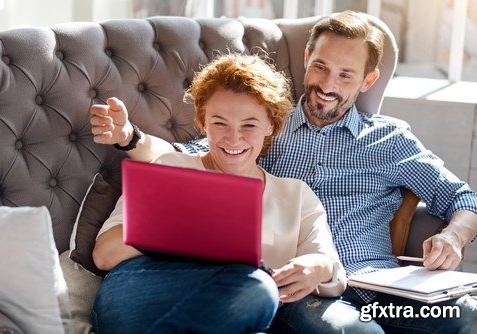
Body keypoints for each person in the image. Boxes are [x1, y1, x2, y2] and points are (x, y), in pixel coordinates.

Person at [91, 10, 477, 333]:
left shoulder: (390, 140)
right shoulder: (259, 123)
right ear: (307, 57)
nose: (327, 84)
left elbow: (464, 198)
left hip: (378, 291)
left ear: (368, 80)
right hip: (298, 296)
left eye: (345, 75)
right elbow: (186, 160)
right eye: (321, 67)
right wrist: (129, 137)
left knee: (466, 319)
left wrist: (453, 238)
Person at [90, 53, 347, 333]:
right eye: (220, 123)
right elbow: (105, 254)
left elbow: (332, 273)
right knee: (257, 288)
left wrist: (319, 267)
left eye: (249, 125)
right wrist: (191, 230)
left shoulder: (296, 196)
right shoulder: (170, 167)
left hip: (239, 304)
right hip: (144, 289)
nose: (233, 138)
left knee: (256, 290)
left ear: (270, 125)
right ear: (203, 122)